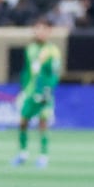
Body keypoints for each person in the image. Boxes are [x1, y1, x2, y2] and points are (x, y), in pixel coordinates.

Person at [12, 18, 62, 169]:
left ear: (49, 31)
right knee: (22, 122)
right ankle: (22, 153)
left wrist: (48, 90)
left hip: (44, 94)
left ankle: (43, 155)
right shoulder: (30, 49)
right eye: (37, 28)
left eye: (42, 29)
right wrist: (22, 90)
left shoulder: (53, 51)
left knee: (43, 123)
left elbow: (54, 74)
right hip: (29, 93)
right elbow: (27, 72)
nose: (39, 32)